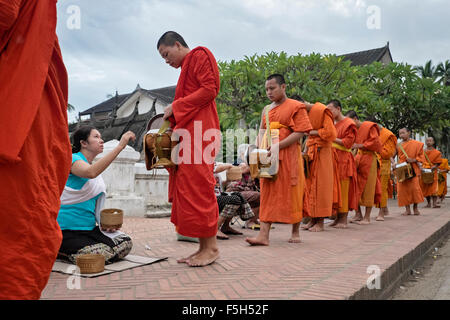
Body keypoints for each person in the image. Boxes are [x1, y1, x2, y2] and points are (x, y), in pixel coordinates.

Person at [0, 0, 72, 299]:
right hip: (20, 98)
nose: (166, 61)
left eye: (166, 54)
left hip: (21, 91)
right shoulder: (79, 160)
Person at [158, 31, 221, 267]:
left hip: (200, 133)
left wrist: (176, 106)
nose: (167, 61)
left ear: (177, 44)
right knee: (189, 189)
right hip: (187, 134)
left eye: (166, 54)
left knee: (199, 188)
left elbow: (210, 89)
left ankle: (212, 247)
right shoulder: (185, 69)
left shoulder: (199, 54)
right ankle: (202, 247)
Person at [246, 74, 312, 245]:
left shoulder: (296, 106)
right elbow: (261, 132)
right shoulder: (266, 110)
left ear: (283, 87)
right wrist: (255, 149)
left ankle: (295, 231)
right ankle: (263, 236)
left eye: (272, 88)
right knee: (267, 193)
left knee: (293, 191)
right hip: (268, 156)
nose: (269, 92)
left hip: (289, 156)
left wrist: (279, 146)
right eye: (266, 89)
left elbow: (301, 132)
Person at [57, 127, 135, 264]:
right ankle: (63, 250)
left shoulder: (92, 165)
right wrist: (120, 146)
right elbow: (90, 172)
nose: (101, 140)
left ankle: (82, 254)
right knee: (99, 253)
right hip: (67, 230)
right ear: (84, 143)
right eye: (96, 137)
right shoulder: (73, 159)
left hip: (89, 229)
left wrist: (104, 225)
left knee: (125, 243)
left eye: (100, 137)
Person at [301, 101, 340, 232]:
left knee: (322, 187)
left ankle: (321, 223)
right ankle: (312, 220)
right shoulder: (306, 113)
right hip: (311, 151)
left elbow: (331, 133)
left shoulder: (322, 110)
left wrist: (312, 132)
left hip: (322, 152)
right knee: (311, 186)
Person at [346, 112, 382, 225]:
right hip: (358, 158)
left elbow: (375, 143)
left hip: (369, 159)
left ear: (355, 119)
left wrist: (359, 146)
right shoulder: (353, 129)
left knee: (369, 187)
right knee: (355, 186)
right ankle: (358, 215)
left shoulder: (369, 126)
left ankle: (367, 217)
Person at [327, 100, 358, 229]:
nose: (329, 113)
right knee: (335, 189)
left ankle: (343, 219)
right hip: (332, 158)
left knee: (344, 189)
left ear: (338, 109)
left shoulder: (349, 123)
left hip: (344, 159)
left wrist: (331, 138)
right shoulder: (332, 124)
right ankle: (337, 218)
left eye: (331, 110)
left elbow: (348, 143)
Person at [213, 163, 254, 240]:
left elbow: (222, 184)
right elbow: (216, 169)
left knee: (237, 195)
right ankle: (215, 229)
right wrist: (229, 165)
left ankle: (226, 227)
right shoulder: (205, 165)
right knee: (234, 199)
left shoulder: (213, 165)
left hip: (217, 196)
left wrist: (229, 179)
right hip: (209, 198)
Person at [394, 128, 425, 216]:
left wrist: (414, 160)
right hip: (402, 169)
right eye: (400, 134)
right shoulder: (399, 145)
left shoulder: (417, 144)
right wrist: (394, 163)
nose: (401, 135)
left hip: (413, 169)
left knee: (415, 189)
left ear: (409, 133)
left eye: (403, 133)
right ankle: (407, 209)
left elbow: (422, 157)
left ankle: (415, 208)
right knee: (403, 190)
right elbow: (391, 155)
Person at [375, 124, 397, 221]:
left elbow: (388, 153)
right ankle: (384, 208)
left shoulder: (388, 135)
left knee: (382, 188)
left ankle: (381, 213)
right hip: (373, 163)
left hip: (383, 164)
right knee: (375, 189)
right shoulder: (370, 132)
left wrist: (375, 147)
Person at [420, 137, 442, 208]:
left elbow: (438, 162)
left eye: (430, 141)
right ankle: (428, 203)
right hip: (424, 171)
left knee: (434, 187)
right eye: (427, 141)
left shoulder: (437, 152)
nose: (428, 142)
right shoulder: (422, 152)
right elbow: (420, 160)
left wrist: (434, 166)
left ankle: (434, 203)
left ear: (433, 142)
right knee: (425, 187)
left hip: (433, 171)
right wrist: (421, 167)